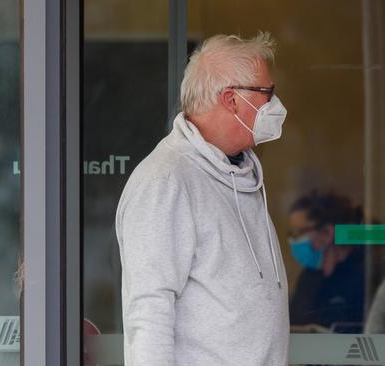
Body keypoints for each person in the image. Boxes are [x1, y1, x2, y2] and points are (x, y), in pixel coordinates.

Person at [115, 32, 289, 365]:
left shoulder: (240, 175)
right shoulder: (166, 182)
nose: (274, 105)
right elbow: (149, 314)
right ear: (232, 100)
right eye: (268, 93)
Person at [288, 190, 364, 331]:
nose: (293, 241)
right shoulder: (308, 278)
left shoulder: (364, 276)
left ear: (327, 233)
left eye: (299, 232)